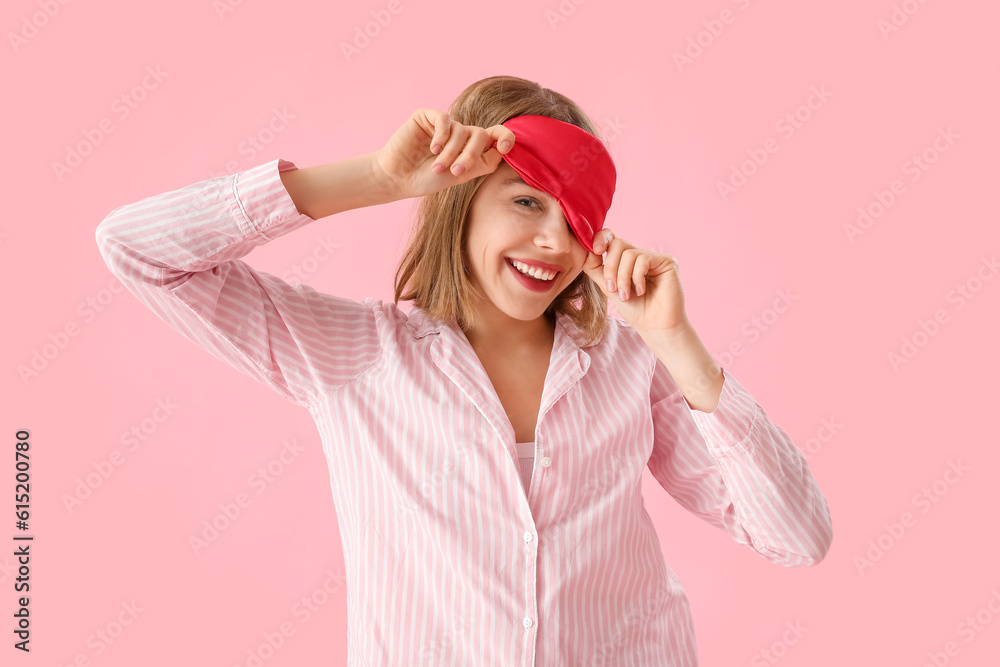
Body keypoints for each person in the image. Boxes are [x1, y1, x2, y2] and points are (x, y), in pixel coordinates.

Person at [95, 75, 833, 666]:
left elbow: (799, 536)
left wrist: (678, 343)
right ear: (459, 201)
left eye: (576, 218)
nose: (552, 239)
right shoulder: (354, 353)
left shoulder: (631, 362)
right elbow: (138, 250)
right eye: (524, 201)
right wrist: (378, 180)